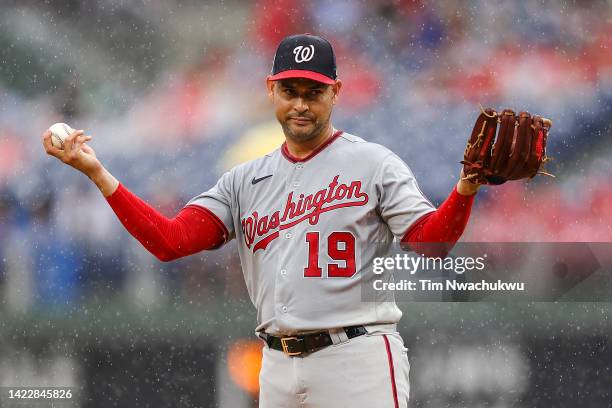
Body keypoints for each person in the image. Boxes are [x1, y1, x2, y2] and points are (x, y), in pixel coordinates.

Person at [43, 34, 480, 408]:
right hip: (276, 363)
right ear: (271, 90)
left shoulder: (375, 164)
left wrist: (464, 191)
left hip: (357, 355)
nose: (301, 105)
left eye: (314, 92)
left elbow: (431, 242)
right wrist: (98, 174)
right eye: (290, 91)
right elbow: (169, 241)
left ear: (336, 92)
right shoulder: (244, 180)